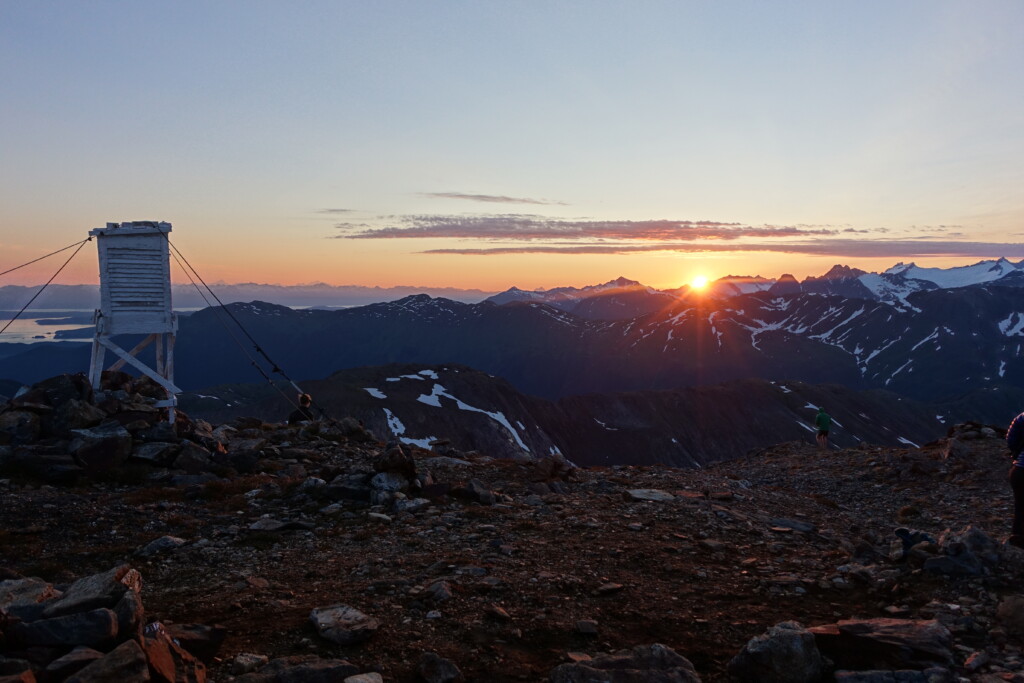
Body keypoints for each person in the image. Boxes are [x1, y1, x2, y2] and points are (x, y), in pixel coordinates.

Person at [1006, 411, 1024, 548]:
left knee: (1020, 506)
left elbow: (1010, 438)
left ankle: (1018, 540)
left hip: (1019, 471)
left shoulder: (1022, 417)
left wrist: (1017, 453)